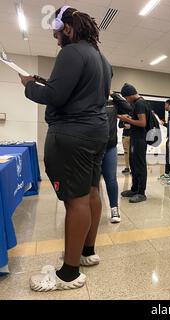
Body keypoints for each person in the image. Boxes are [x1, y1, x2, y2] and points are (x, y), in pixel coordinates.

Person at [19, 6, 112, 291]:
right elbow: (82, 93)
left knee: (76, 200)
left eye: (57, 33)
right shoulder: (102, 59)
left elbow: (56, 96)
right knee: (93, 191)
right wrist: (46, 84)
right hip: (97, 132)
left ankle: (68, 274)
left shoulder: (71, 53)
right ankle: (86, 252)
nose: (56, 39)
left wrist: (29, 86)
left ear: (68, 28)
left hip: (73, 135)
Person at [103, 94, 133, 223]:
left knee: (111, 179)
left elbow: (128, 108)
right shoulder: (88, 99)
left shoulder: (113, 103)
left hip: (110, 146)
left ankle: (114, 208)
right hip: (92, 147)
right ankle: (90, 209)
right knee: (92, 183)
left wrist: (114, 94)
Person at [118, 84, 148, 203]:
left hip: (140, 139)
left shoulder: (140, 103)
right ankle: (134, 189)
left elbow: (142, 123)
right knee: (133, 164)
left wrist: (126, 119)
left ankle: (141, 193)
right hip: (135, 137)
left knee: (140, 165)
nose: (126, 100)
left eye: (126, 98)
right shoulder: (137, 103)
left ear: (130, 95)